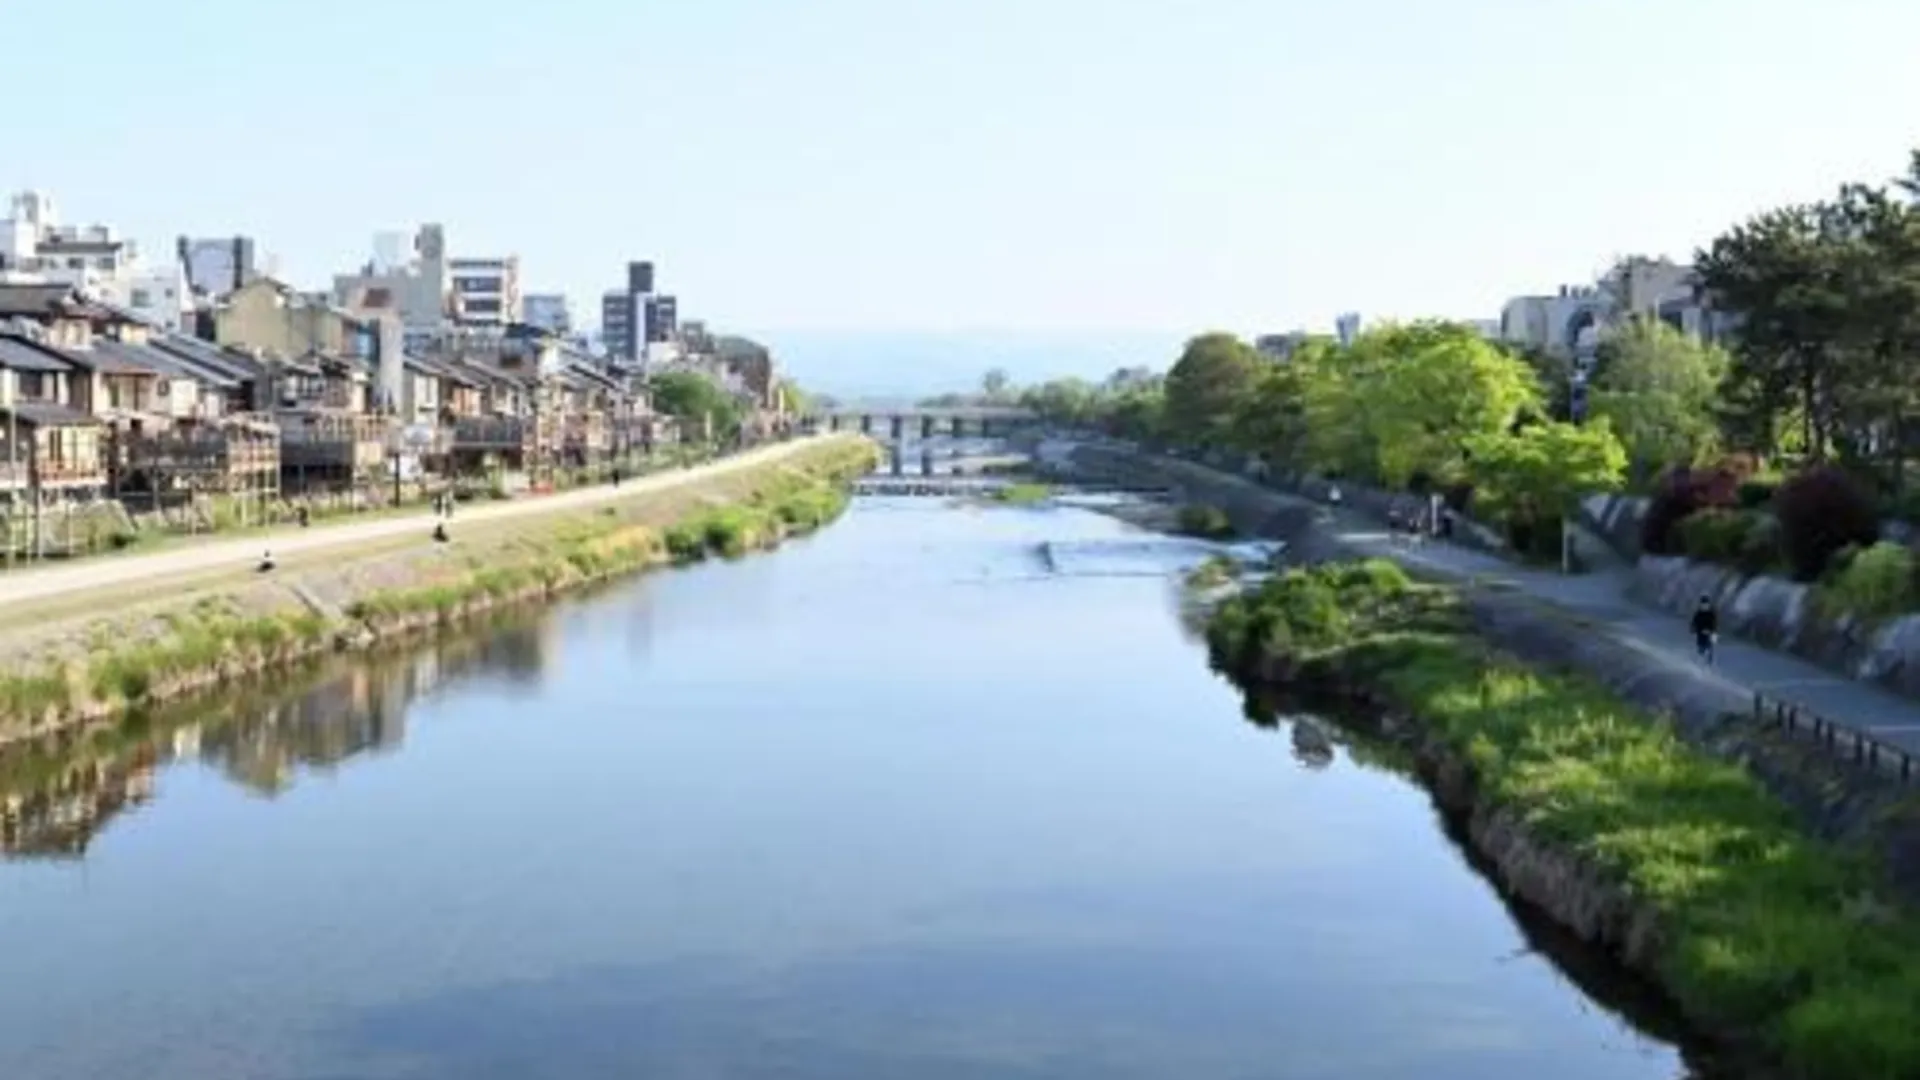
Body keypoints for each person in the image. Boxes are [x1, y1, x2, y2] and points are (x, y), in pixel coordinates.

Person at [1690, 594, 1719, 666]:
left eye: (1705, 605)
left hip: (1710, 634)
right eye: (1703, 605)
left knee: (1710, 649)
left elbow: (1715, 625)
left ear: (1708, 605)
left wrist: (1713, 634)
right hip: (1700, 633)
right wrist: (1693, 629)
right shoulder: (1698, 613)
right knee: (1701, 648)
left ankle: (1709, 664)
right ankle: (1698, 662)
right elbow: (1694, 622)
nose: (1704, 606)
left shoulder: (1711, 613)